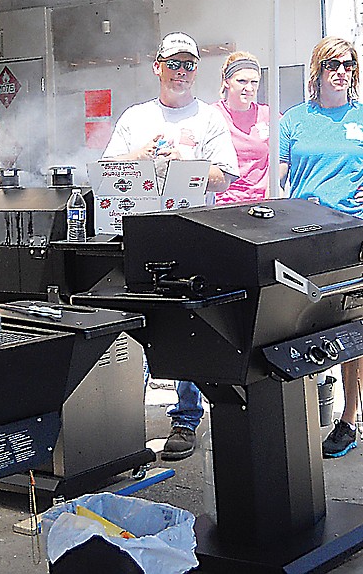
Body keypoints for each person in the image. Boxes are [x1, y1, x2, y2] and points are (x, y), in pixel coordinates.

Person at [103, 31, 239, 461]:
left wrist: (191, 166)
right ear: (156, 67)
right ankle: (122, 426)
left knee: (191, 324)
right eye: (174, 64)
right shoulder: (135, 117)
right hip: (141, 234)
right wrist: (138, 156)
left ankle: (186, 418)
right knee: (137, 324)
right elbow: (106, 171)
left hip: (196, 234)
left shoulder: (209, 119)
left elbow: (227, 176)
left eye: (189, 65)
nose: (181, 72)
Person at [278, 36, 363, 458]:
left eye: (348, 65)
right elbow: (282, 179)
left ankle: (348, 419)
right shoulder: (294, 120)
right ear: (317, 72)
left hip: (354, 235)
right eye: (332, 65)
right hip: (305, 236)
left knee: (352, 326)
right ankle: (303, 413)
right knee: (299, 323)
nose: (341, 72)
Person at [214, 51, 271, 203]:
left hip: (261, 204)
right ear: (227, 82)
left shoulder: (268, 115)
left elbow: (284, 156)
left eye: (254, 82)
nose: (249, 88)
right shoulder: (212, 116)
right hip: (223, 204)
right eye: (242, 81)